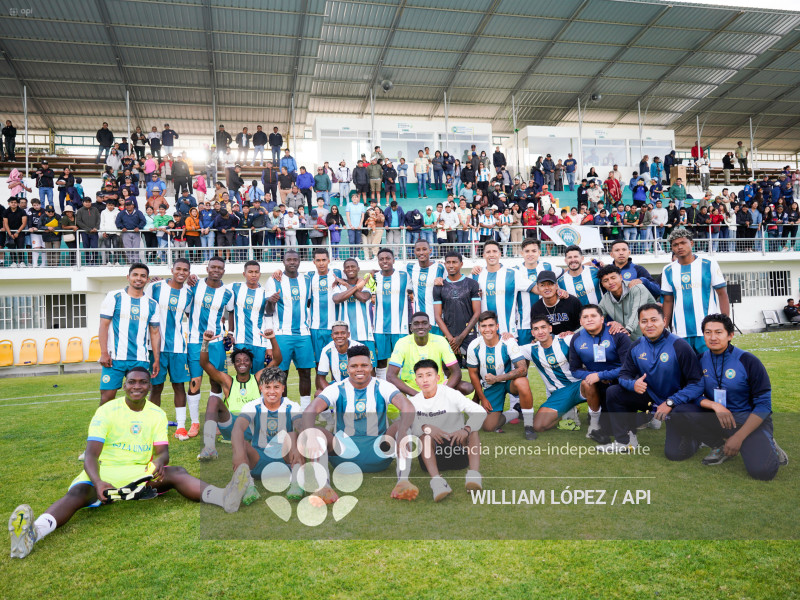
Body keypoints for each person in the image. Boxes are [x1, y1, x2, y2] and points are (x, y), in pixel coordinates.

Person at [8, 368, 252, 560]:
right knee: (78, 492)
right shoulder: (106, 411)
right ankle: (33, 533)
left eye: (142, 382)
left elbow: (163, 453)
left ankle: (225, 498)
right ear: (124, 385)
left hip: (140, 472)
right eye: (132, 382)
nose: (137, 386)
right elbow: (91, 456)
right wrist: (98, 481)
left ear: (149, 386)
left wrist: (158, 463)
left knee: (176, 472)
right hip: (105, 472)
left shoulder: (156, 413)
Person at [301, 345, 419, 504]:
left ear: (371, 366)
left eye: (364, 365)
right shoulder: (337, 388)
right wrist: (310, 435)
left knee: (402, 425)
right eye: (354, 366)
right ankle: (323, 487)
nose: (359, 369)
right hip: (343, 456)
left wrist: (403, 431)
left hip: (378, 453)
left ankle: (403, 482)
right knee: (316, 432)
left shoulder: (382, 386)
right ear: (347, 368)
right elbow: (311, 410)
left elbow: (408, 407)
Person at [597, 303, 704, 454]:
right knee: (614, 392)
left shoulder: (679, 346)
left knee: (674, 454)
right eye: (644, 321)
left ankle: (695, 436)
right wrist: (633, 384)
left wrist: (671, 402)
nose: (649, 325)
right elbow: (623, 375)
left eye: (654, 320)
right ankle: (625, 441)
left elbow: (697, 384)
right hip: (650, 398)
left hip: (677, 404)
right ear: (639, 323)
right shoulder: (636, 346)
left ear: (664, 321)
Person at [195, 331, 282, 461]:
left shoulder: (258, 378)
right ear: (234, 364)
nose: (242, 363)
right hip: (231, 426)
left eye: (246, 360)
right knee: (214, 399)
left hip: (252, 427)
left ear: (251, 364)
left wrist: (272, 339)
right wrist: (205, 342)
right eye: (238, 361)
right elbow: (205, 364)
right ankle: (209, 448)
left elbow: (277, 360)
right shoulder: (228, 381)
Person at [410, 360, 486, 501]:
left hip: (457, 450)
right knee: (424, 436)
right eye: (420, 376)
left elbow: (479, 411)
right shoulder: (413, 401)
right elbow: (408, 425)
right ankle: (438, 483)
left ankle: (474, 476)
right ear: (416, 380)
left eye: (429, 375)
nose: (425, 380)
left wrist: (466, 430)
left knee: (473, 431)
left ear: (438, 377)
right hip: (432, 456)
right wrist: (425, 427)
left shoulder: (451, 394)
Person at [231, 366, 304, 505]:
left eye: (276, 387)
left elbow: (301, 426)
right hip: (258, 461)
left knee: (294, 436)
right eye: (267, 387)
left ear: (283, 388)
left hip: (285, 461)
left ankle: (296, 482)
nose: (272, 391)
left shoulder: (292, 406)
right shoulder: (252, 406)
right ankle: (248, 486)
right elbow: (238, 428)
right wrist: (239, 453)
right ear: (261, 388)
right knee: (242, 443)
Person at [95, 263, 161, 410]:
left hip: (140, 359)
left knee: (137, 398)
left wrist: (156, 359)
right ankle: (102, 431)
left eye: (143, 276)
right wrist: (104, 353)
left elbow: (155, 332)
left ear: (147, 279)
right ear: (128, 277)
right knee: (107, 396)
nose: (139, 278)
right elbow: (103, 326)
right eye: (135, 275)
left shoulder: (152, 304)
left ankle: (136, 430)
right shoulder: (114, 296)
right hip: (114, 358)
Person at [143, 258, 193, 440]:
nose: (181, 272)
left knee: (179, 385)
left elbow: (189, 314)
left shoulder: (189, 293)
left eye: (185, 270)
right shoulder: (155, 287)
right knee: (156, 388)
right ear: (172, 269)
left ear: (188, 273)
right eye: (178, 269)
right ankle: (154, 426)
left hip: (179, 347)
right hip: (155, 347)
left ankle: (180, 427)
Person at [568, 304, 633, 444]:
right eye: (585, 317)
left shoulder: (617, 334)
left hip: (621, 382)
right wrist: (596, 376)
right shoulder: (577, 338)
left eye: (593, 316)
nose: (589, 319)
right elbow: (574, 370)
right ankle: (594, 424)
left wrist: (602, 375)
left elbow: (629, 367)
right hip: (598, 384)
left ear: (602, 319)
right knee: (587, 382)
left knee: (622, 426)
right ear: (580, 322)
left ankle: (647, 416)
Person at [466, 311, 535, 439]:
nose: (487, 329)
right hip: (491, 386)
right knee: (488, 427)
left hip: (509, 381)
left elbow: (523, 369)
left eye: (491, 325)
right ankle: (515, 412)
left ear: (497, 326)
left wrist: (497, 378)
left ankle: (529, 426)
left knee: (522, 381)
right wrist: (483, 398)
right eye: (484, 326)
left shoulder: (508, 342)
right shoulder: (474, 345)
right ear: (479, 328)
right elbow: (473, 375)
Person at [186, 256, 234, 438]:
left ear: (223, 271)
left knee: (217, 381)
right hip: (195, 340)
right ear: (207, 268)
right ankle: (195, 423)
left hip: (216, 342)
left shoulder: (228, 293)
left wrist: (230, 333)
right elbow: (187, 309)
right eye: (212, 267)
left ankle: (213, 422)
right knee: (195, 382)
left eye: (219, 268)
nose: (216, 270)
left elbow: (231, 313)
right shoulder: (195, 285)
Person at [661, 228, 730, 355]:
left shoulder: (709, 264)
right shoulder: (668, 270)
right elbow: (668, 300)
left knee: (711, 368)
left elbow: (722, 294)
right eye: (675, 245)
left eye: (683, 243)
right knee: (686, 372)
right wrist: (664, 328)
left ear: (691, 243)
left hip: (708, 330)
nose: (679, 247)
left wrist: (726, 323)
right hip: (680, 331)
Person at [263, 250, 315, 410]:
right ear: (283, 261)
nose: (292, 262)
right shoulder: (274, 280)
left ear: (300, 261)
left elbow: (308, 303)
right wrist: (271, 301)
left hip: (303, 334)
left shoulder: (307, 279)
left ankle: (305, 410)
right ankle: (282, 409)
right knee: (281, 374)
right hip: (282, 335)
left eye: (295, 259)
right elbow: (268, 311)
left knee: (305, 373)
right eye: (289, 259)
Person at [521, 314, 588, 433]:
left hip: (580, 385)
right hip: (560, 393)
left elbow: (589, 335)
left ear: (550, 328)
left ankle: (596, 421)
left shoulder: (566, 340)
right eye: (536, 329)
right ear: (532, 333)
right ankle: (567, 411)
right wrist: (507, 337)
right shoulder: (531, 349)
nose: (540, 332)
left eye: (543, 327)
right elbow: (508, 349)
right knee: (538, 426)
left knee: (592, 383)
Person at [387, 312, 473, 397]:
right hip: (411, 387)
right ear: (411, 328)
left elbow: (456, 372)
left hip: (438, 386)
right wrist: (418, 395)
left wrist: (441, 393)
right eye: (416, 324)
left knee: (467, 387)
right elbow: (391, 376)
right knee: (390, 392)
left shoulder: (440, 341)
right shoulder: (402, 342)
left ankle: (444, 402)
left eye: (424, 323)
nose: (420, 326)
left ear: (430, 327)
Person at [470, 240, 535, 337]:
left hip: (508, 334)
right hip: (484, 334)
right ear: (483, 255)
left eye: (494, 251)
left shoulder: (513, 273)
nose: (491, 254)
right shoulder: (475, 275)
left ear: (500, 254)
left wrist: (558, 290)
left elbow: (536, 288)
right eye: (488, 252)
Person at [226, 260, 274, 376]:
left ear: (260, 274)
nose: (253, 275)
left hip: (260, 343)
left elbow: (268, 319)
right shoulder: (234, 287)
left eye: (256, 272)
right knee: (242, 375)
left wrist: (269, 346)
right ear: (244, 274)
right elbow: (230, 310)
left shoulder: (264, 293)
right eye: (250, 272)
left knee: (258, 377)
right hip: (240, 342)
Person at [432, 251, 481, 362]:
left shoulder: (472, 284)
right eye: (448, 262)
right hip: (448, 336)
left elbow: (477, 313)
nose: (451, 265)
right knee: (450, 374)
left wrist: (461, 337)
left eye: (454, 262)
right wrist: (450, 338)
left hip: (469, 335)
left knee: (474, 372)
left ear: (461, 264)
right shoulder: (439, 286)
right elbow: (437, 316)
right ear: (444, 264)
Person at [332, 258, 376, 364]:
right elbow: (337, 299)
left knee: (370, 368)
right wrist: (355, 287)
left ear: (358, 269)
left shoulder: (365, 287)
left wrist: (348, 286)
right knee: (348, 367)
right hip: (346, 337)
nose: (350, 269)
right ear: (344, 271)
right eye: (347, 267)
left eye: (353, 266)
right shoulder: (338, 287)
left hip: (365, 335)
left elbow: (363, 298)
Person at [597, 265, 656, 341]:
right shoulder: (605, 299)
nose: (610, 282)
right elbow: (595, 317)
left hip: (655, 336)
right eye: (606, 280)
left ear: (621, 277)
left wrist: (628, 329)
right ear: (602, 284)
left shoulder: (637, 288)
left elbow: (638, 311)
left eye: (613, 278)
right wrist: (577, 333)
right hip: (634, 342)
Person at [531, 270, 583, 336]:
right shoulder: (536, 308)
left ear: (556, 286)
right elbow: (536, 330)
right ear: (538, 289)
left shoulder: (572, 301)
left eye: (550, 284)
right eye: (542, 285)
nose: (547, 288)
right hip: (551, 342)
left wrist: (574, 333)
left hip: (573, 338)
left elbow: (583, 323)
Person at [316, 321, 364, 390]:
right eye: (336, 333)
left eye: (343, 333)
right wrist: (331, 393)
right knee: (318, 394)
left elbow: (369, 374)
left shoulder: (359, 347)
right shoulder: (327, 350)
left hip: (358, 385)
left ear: (348, 334)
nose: (339, 336)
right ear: (332, 336)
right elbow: (321, 378)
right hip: (338, 386)